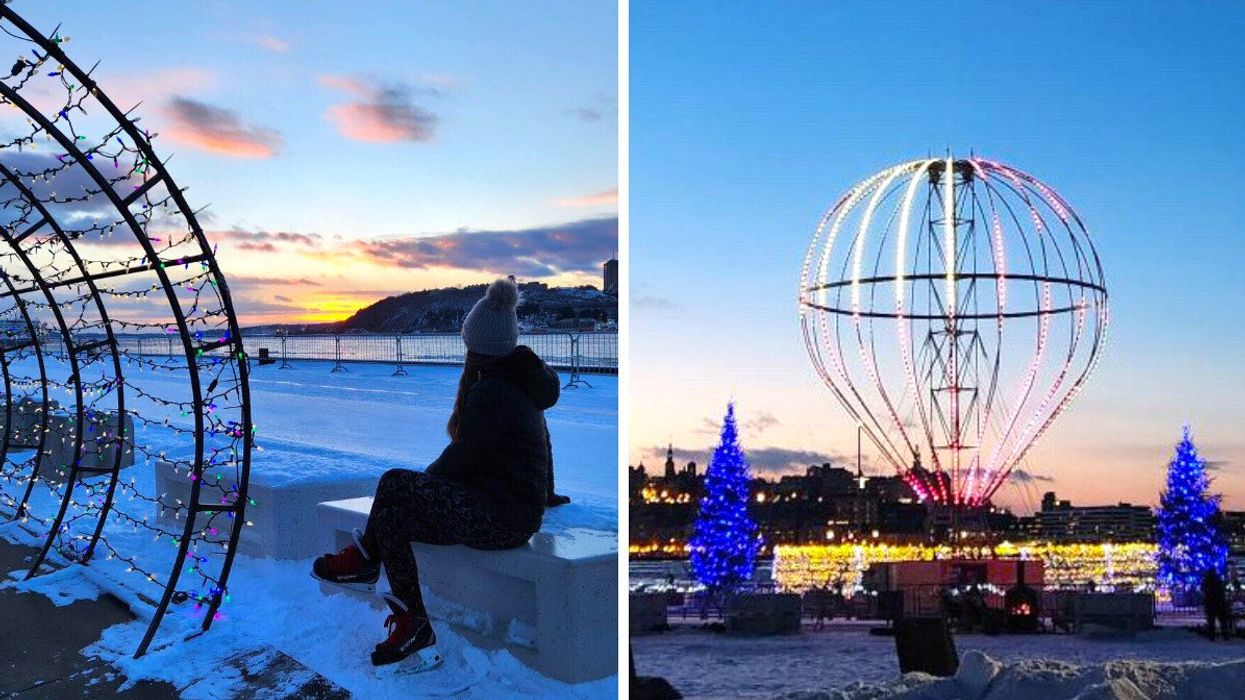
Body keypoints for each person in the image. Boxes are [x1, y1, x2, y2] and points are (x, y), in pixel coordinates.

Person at [311, 278, 570, 673]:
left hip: (499, 520)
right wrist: (545, 494)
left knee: (395, 483)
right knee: (394, 517)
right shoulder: (520, 380)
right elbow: (541, 446)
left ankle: (365, 560)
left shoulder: (494, 391)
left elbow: (462, 458)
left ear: (477, 346)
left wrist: (422, 486)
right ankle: (413, 623)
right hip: (505, 511)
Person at [1202, 568, 1232, 641]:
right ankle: (1225, 635)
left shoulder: (1206, 582)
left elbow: (1204, 591)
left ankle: (1212, 636)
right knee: (1223, 621)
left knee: (1211, 621)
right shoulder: (1218, 581)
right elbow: (1222, 590)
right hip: (1220, 603)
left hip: (1211, 604)